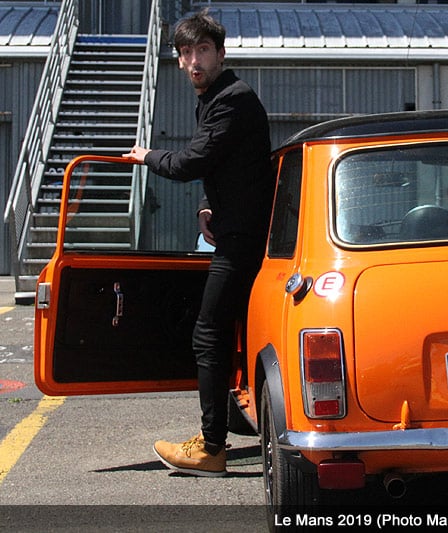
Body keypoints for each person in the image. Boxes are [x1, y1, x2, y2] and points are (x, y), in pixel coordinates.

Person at [124, 10, 273, 477]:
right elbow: (225, 165)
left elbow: (194, 159)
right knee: (227, 332)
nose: (194, 61)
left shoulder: (232, 98)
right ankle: (234, 426)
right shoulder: (214, 100)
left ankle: (211, 448)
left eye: (202, 50)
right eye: (186, 53)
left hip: (244, 239)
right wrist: (209, 206)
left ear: (220, 53)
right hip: (234, 229)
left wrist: (149, 155)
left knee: (209, 334)